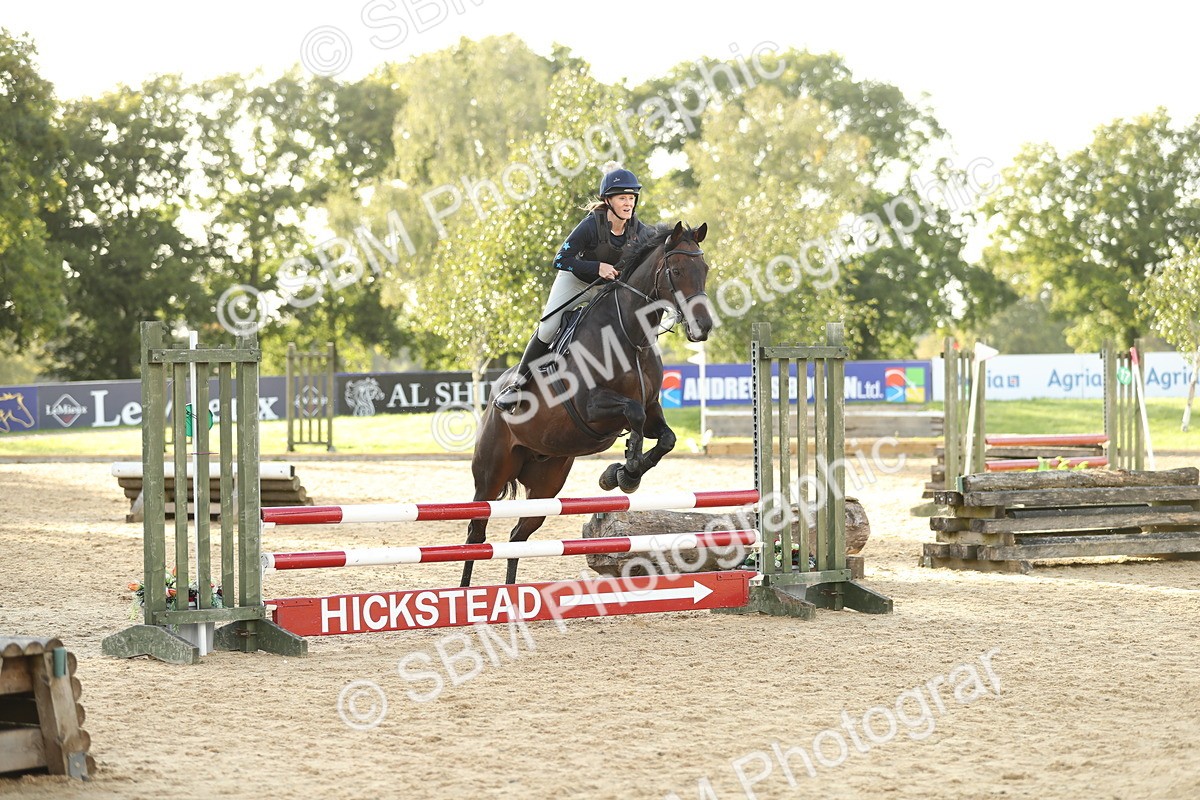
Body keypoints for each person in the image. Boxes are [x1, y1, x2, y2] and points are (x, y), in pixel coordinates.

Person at [493, 162, 650, 413]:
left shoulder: (639, 230)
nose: (628, 203)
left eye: (631, 198)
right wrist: (597, 267)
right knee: (549, 326)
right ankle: (517, 387)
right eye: (622, 197)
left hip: (605, 288)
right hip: (575, 280)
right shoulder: (590, 226)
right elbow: (560, 260)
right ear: (608, 200)